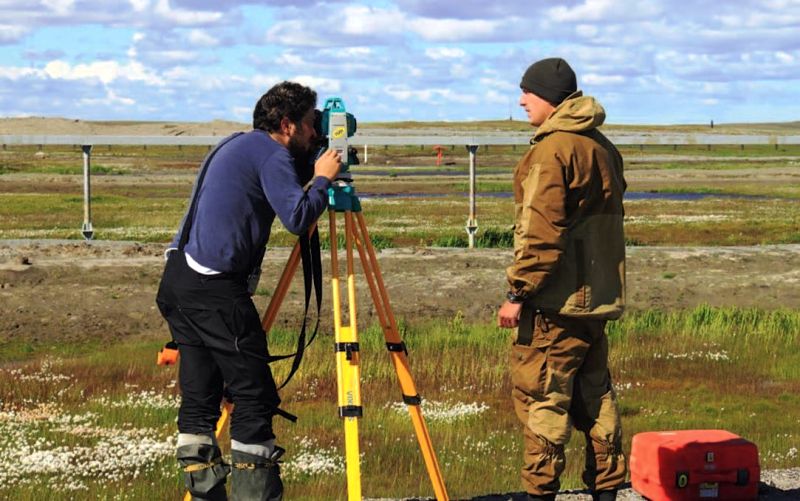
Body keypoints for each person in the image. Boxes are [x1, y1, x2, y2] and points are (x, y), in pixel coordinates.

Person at [156, 81, 341, 500]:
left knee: (201, 398)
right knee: (254, 397)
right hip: (215, 290)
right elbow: (297, 216)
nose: (317, 134)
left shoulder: (235, 145)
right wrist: (323, 180)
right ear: (289, 125)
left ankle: (207, 494)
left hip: (178, 281)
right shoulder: (273, 153)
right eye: (313, 125)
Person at [497, 58, 627, 501]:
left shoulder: (553, 150)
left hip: (557, 304)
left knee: (543, 400)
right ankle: (608, 490)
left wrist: (518, 292)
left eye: (527, 93)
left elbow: (541, 230)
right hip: (597, 302)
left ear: (549, 98)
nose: (520, 100)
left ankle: (540, 493)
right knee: (597, 398)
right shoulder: (601, 144)